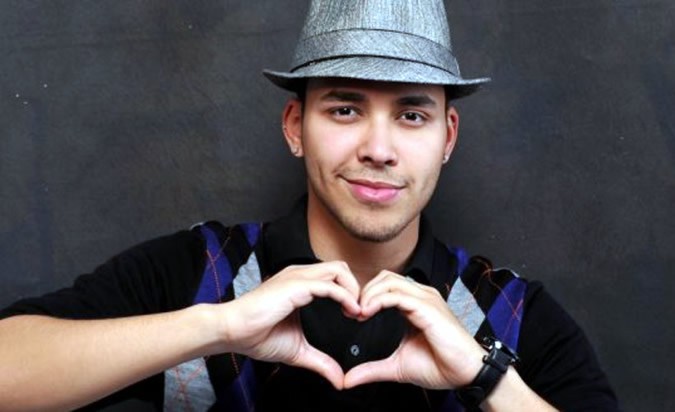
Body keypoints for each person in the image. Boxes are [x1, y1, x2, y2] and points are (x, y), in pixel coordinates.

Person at [0, 0, 619, 411]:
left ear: (448, 137)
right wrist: (215, 328)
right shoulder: (196, 273)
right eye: (345, 109)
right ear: (296, 126)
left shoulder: (512, 313)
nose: (379, 149)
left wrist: (486, 377)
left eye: (411, 115)